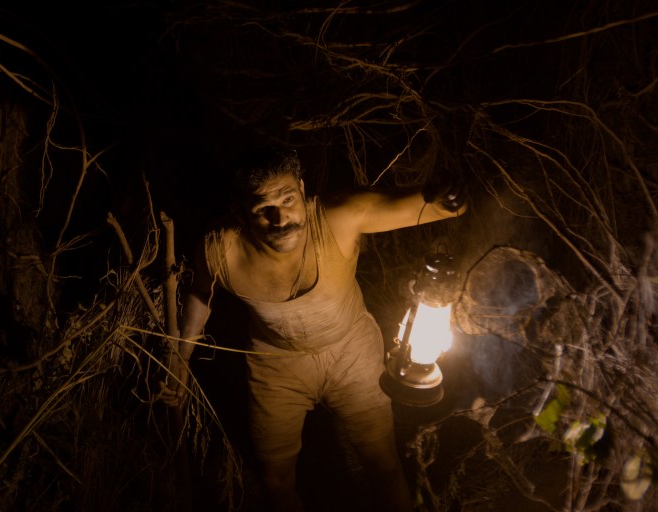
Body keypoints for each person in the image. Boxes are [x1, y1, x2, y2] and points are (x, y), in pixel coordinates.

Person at [159, 147, 465, 512]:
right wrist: (180, 359)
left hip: (352, 351)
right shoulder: (220, 249)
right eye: (262, 209)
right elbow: (200, 295)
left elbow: (440, 206)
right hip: (276, 365)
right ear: (240, 212)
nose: (280, 218)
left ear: (303, 190)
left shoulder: (337, 217)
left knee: (383, 464)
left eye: (288, 199)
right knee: (276, 479)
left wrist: (450, 194)